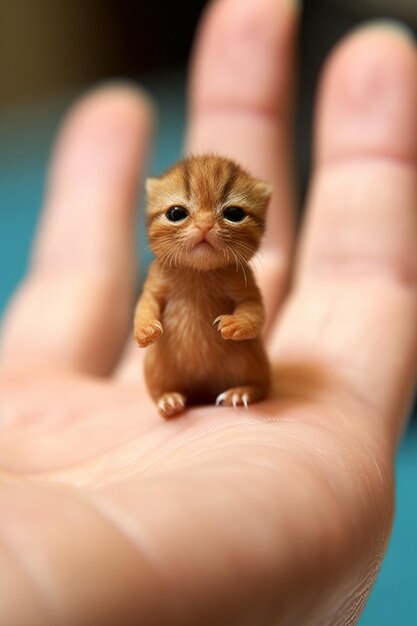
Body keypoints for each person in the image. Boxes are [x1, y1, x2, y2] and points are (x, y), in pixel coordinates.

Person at [0, 0, 416, 623]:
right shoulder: (164, 274)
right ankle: (171, 394)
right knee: (160, 367)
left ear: (257, 223)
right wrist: (145, 324)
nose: (201, 230)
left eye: (230, 215)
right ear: (154, 217)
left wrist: (244, 324)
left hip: (232, 371)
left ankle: (245, 383)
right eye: (178, 214)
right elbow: (150, 303)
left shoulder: (240, 273)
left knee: (248, 362)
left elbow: (251, 307)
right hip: (173, 375)